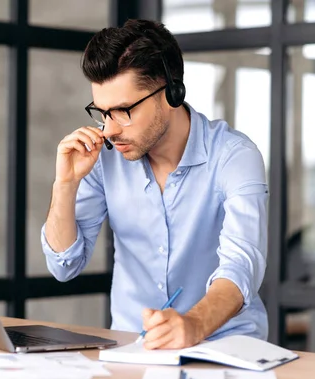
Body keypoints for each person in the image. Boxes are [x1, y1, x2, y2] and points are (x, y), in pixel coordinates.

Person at [40, 19, 269, 350]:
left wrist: (192, 325)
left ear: (171, 93)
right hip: (132, 349)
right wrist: (65, 184)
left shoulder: (234, 156)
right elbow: (64, 265)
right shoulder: (102, 158)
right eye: (102, 112)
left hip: (226, 348)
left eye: (122, 111)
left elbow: (242, 264)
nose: (108, 130)